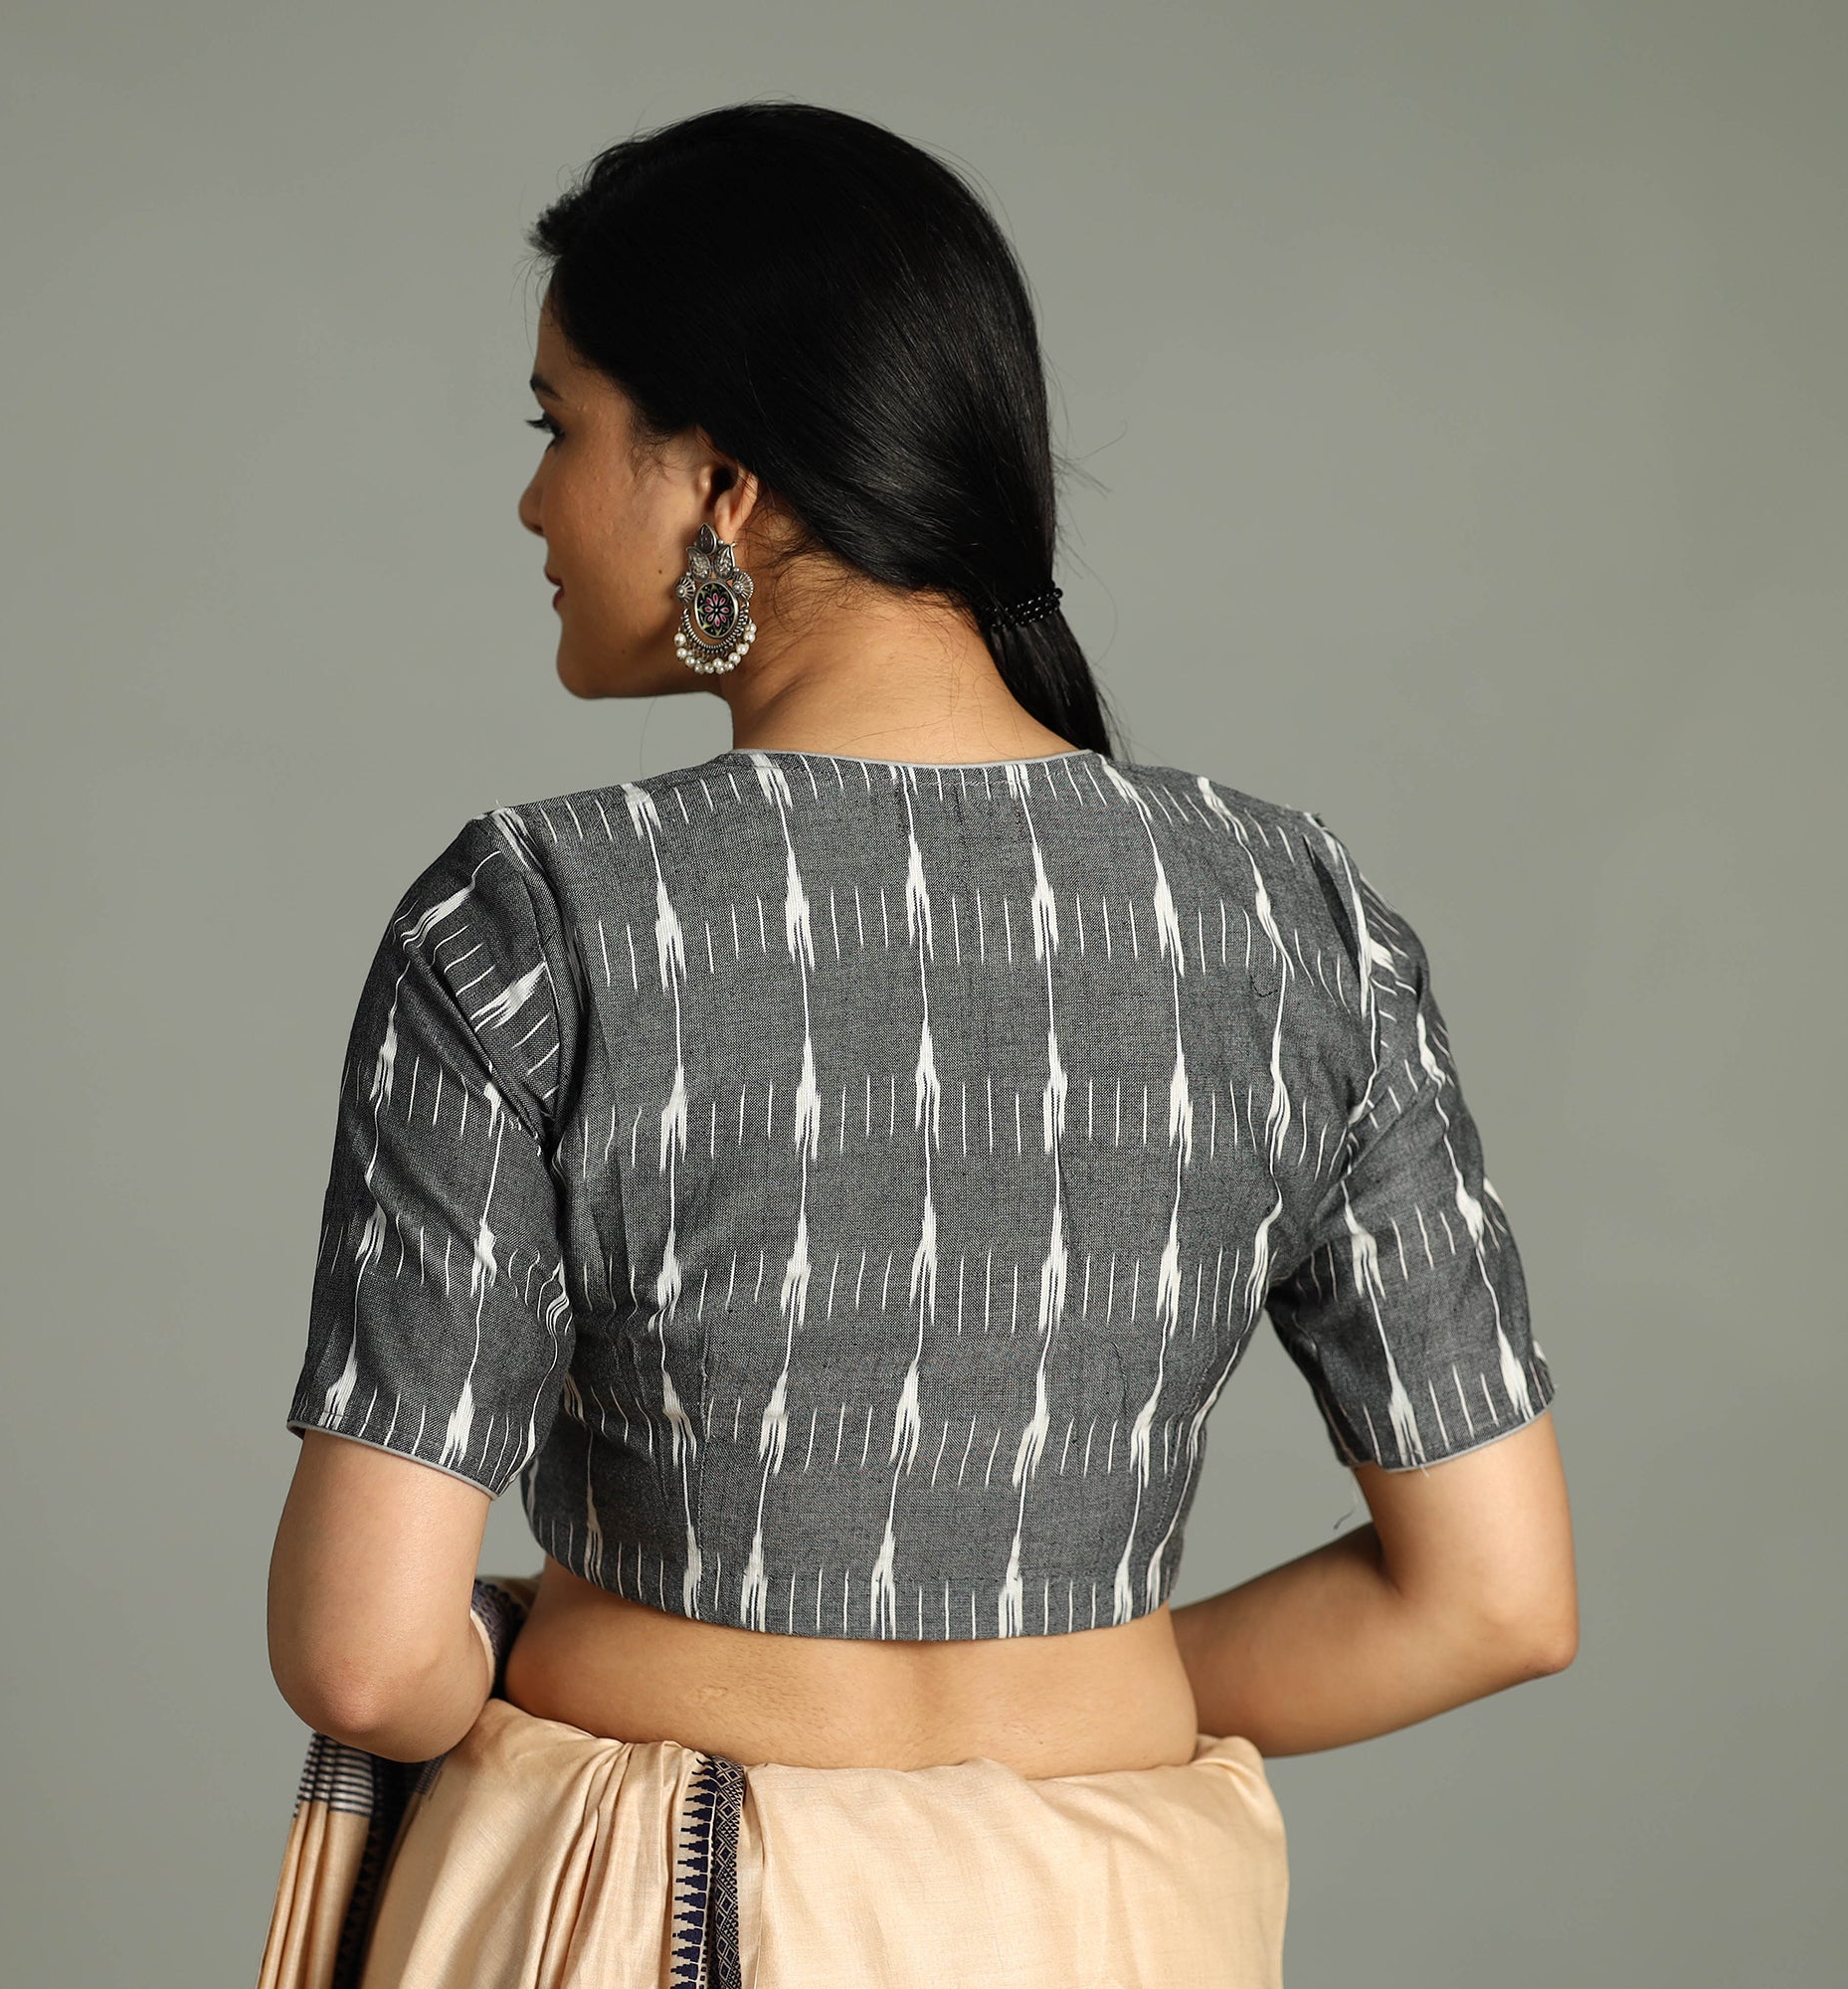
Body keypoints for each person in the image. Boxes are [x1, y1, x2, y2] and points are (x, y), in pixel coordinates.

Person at [264, 99, 1575, 1989]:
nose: (534, 505)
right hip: (1125, 1922)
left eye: (558, 427)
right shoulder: (1303, 921)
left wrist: (514, 1652)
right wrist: (1067, 1700)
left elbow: (365, 1658)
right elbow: (1496, 1599)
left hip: (668, 1905)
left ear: (726, 483)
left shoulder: (537, 918)